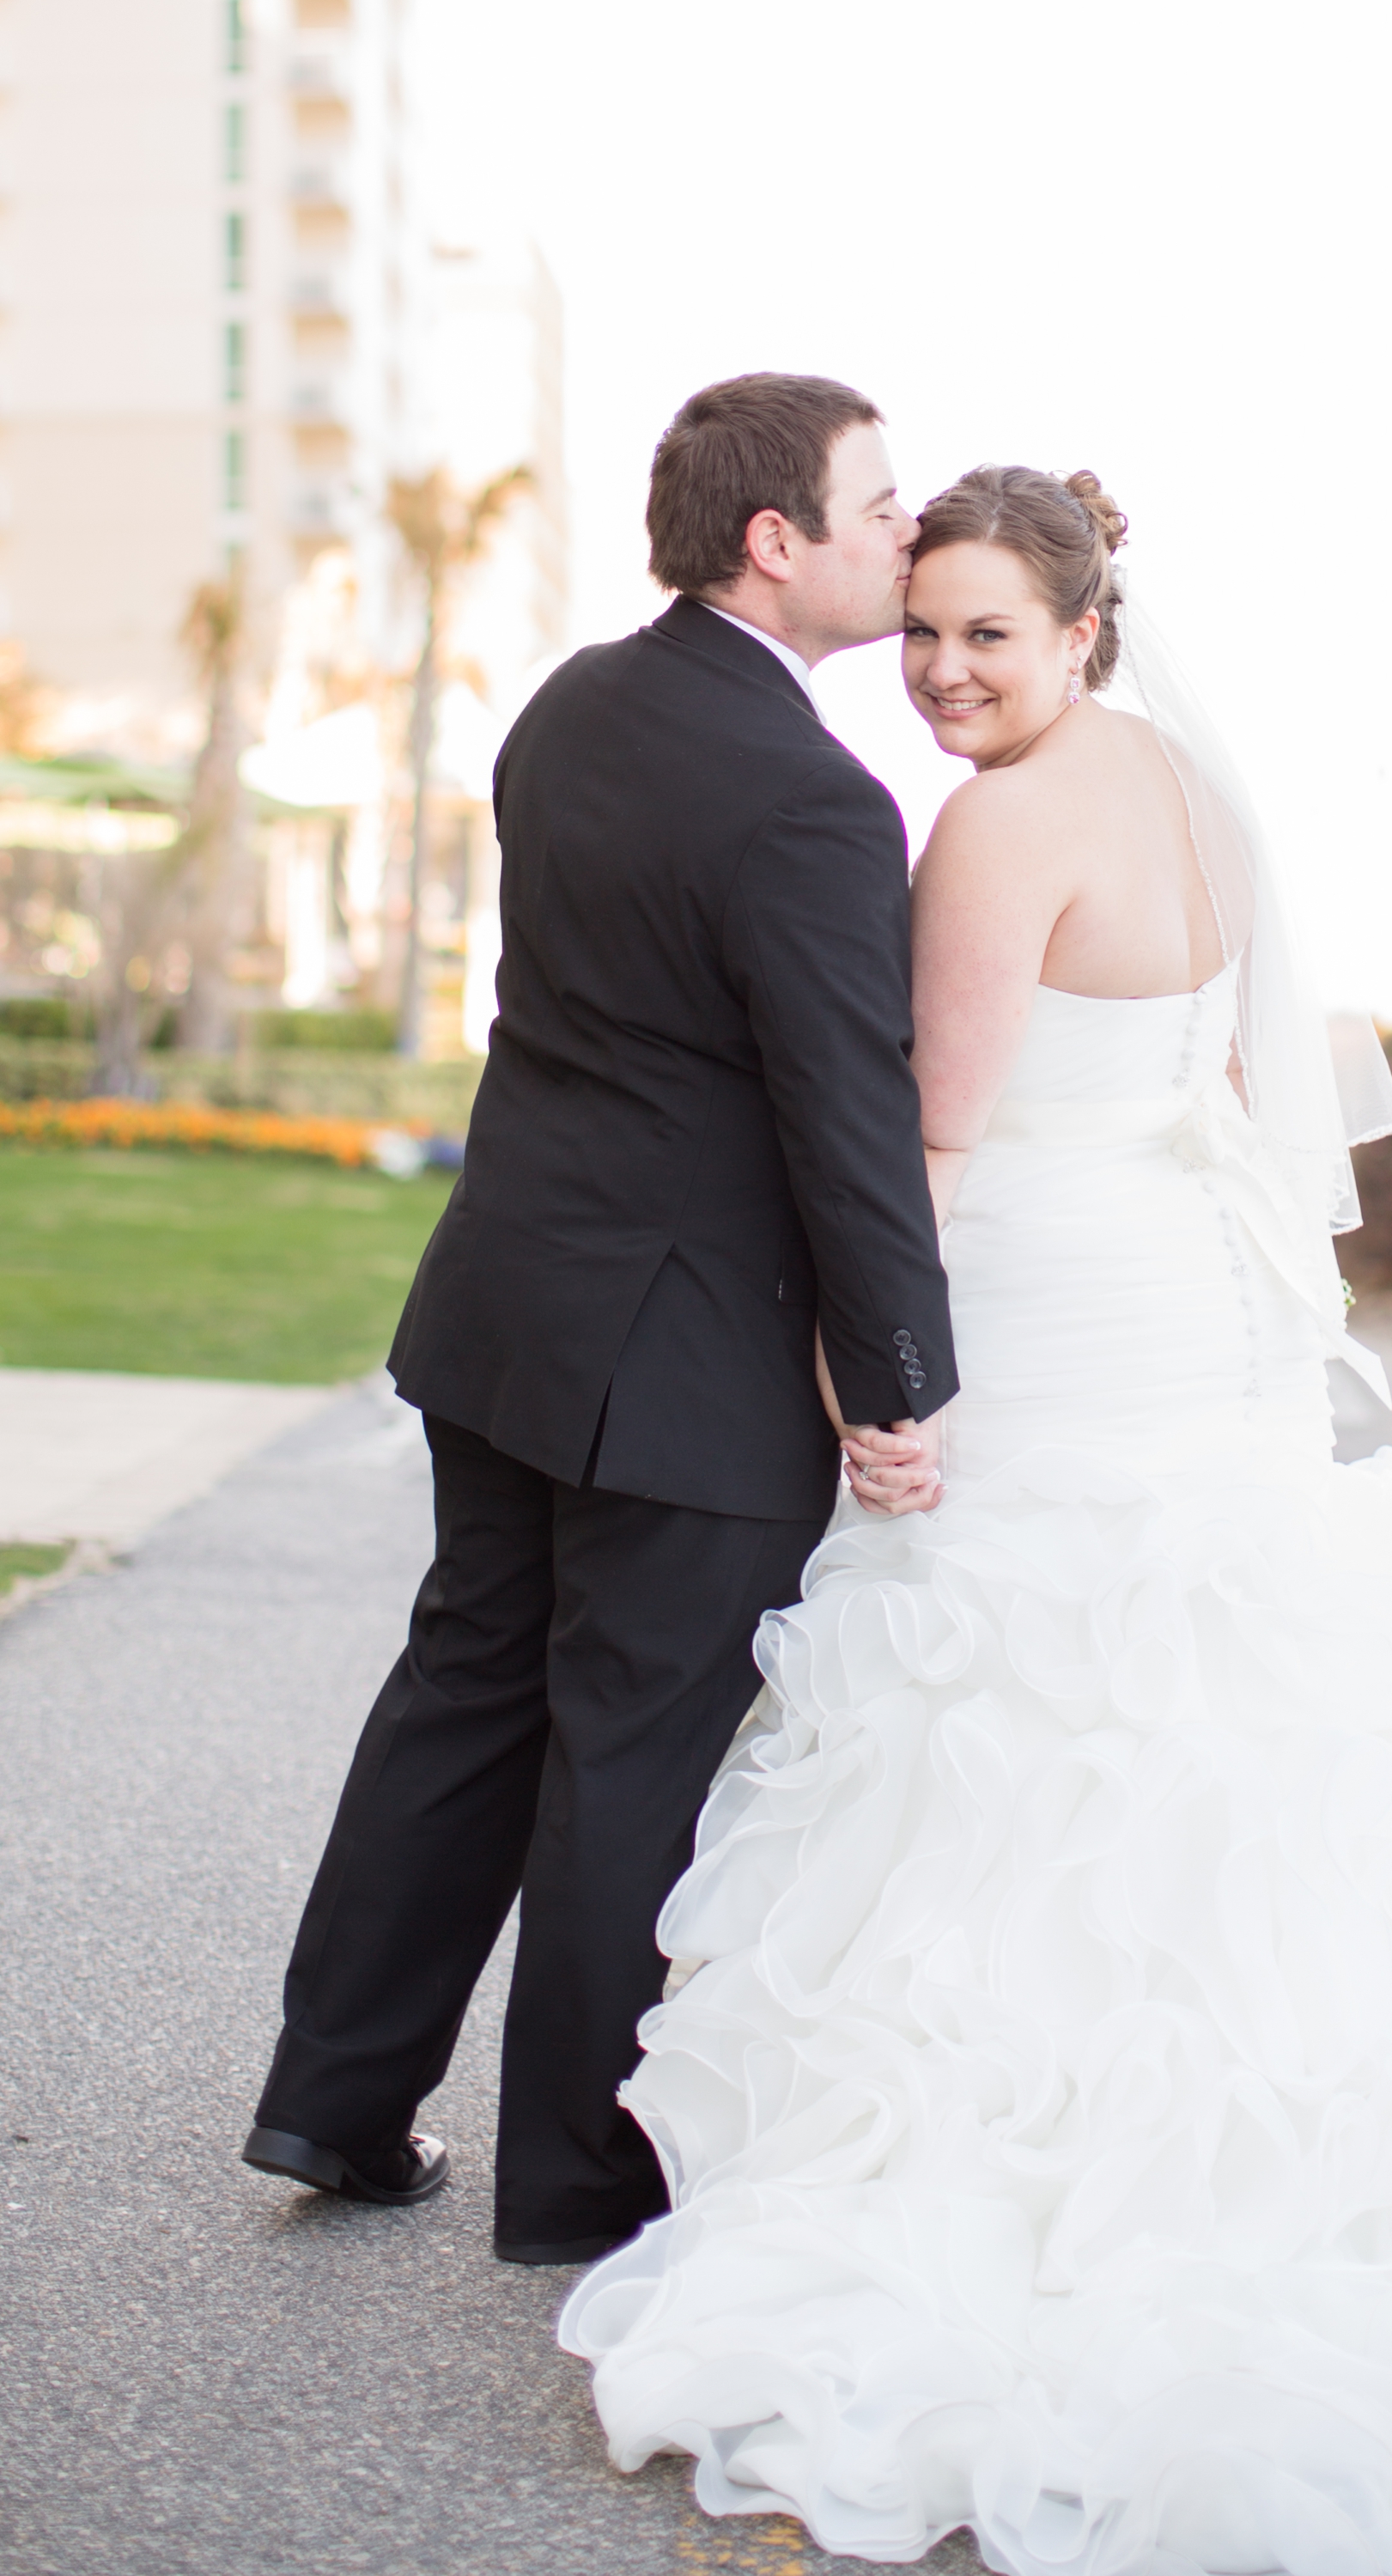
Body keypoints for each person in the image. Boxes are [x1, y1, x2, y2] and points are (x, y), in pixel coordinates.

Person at [563, 467, 1392, 2572]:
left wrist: (868, 1366)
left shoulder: (1000, 824)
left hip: (1054, 1304)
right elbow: (1242, 1080)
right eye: (916, 632)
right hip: (1194, 1309)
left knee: (1020, 1700)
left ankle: (1052, 2188)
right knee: (1208, 1701)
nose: (937, 674)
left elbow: (932, 1127)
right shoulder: (1190, 786)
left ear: (1086, 628)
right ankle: (1321, 2160)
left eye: (987, 633)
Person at [240, 374, 956, 2266]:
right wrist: (896, 1378)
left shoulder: (568, 710)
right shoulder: (812, 799)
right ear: (771, 540)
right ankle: (576, 2189)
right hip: (689, 1358)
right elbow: (846, 1117)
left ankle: (332, 2099)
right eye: (876, 506)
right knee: (627, 1751)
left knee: (464, 1698)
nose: (906, 530)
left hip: (504, 1314)